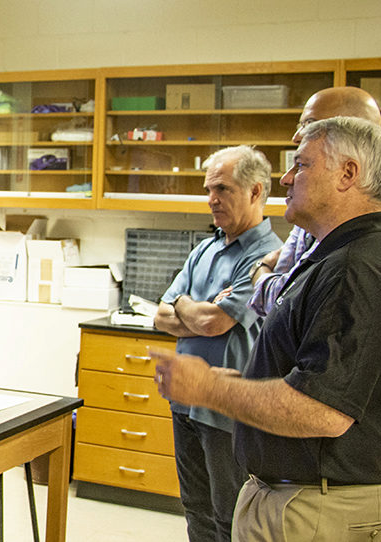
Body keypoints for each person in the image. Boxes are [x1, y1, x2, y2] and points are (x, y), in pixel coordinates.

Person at [151, 117, 381, 541]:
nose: (286, 178)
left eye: (301, 165)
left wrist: (211, 389)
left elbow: (323, 409)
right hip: (303, 497)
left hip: (320, 506)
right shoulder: (334, 255)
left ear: (347, 174)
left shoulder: (356, 269)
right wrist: (242, 382)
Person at [154, 145, 281, 541]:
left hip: (227, 408)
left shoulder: (266, 256)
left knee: (230, 517)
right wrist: (193, 307)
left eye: (223, 189)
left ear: (256, 192)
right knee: (195, 509)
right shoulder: (205, 249)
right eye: (209, 189)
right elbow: (161, 316)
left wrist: (188, 307)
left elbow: (214, 322)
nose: (212, 199)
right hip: (185, 404)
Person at [248, 86, 381, 317]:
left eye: (310, 123)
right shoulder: (314, 210)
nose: (297, 136)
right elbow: (280, 301)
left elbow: (285, 302)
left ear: (354, 131)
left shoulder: (379, 221)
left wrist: (260, 269)